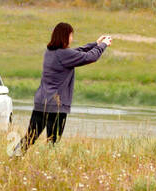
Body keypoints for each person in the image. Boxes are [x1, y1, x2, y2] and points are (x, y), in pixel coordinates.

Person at [20, 22, 112, 150]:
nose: (72, 38)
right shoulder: (64, 54)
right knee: (53, 142)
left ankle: (14, 158)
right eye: (71, 35)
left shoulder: (50, 52)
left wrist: (95, 44)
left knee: (29, 138)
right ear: (66, 36)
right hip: (56, 105)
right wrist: (103, 45)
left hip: (41, 102)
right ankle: (48, 167)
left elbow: (76, 52)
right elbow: (90, 57)